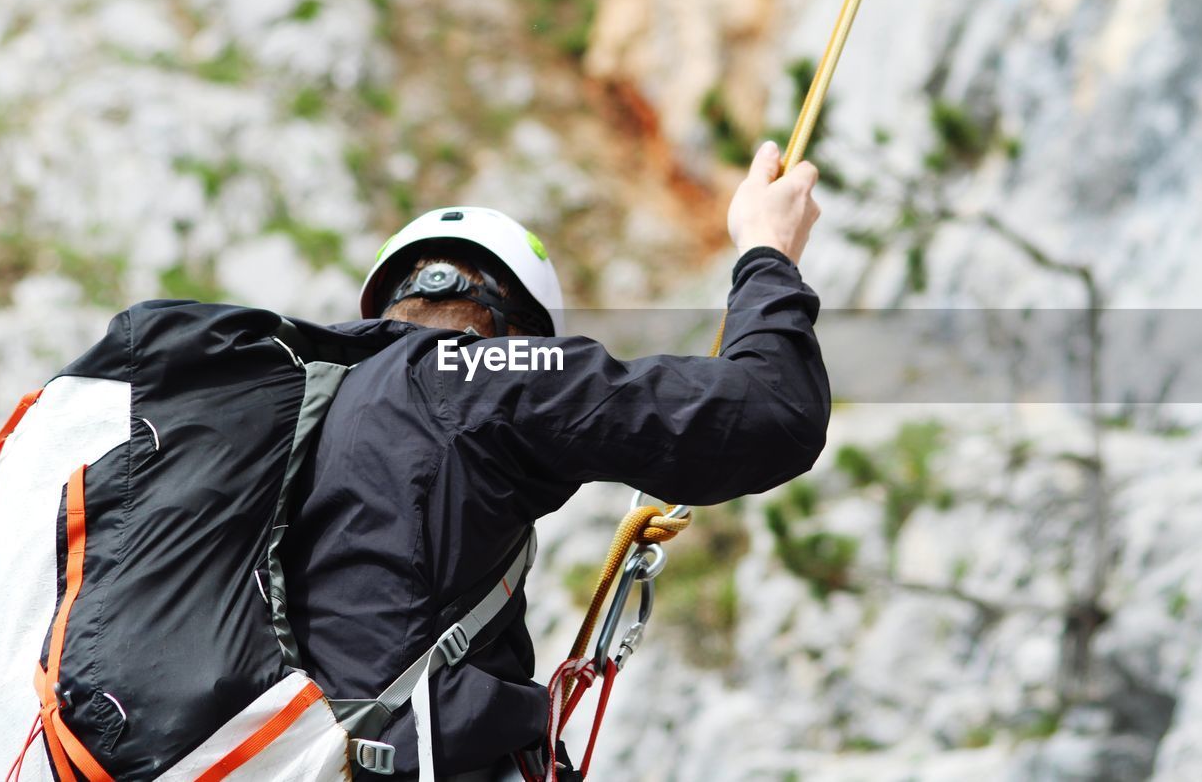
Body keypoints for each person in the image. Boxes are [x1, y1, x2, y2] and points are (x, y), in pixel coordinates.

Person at [280, 140, 831, 780]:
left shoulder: (293, 405)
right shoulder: (482, 379)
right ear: (522, 334)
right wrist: (767, 251)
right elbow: (772, 412)